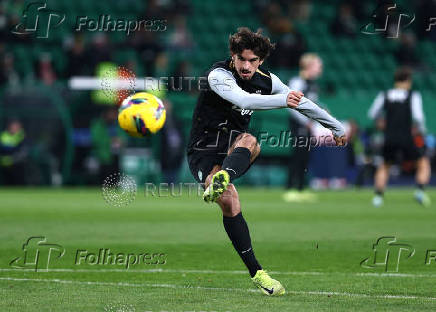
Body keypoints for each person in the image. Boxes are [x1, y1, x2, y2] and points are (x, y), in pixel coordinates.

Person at [186, 27, 346, 296]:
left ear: (261, 61)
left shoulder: (267, 80)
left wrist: (336, 127)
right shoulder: (218, 75)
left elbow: (302, 102)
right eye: (242, 59)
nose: (246, 66)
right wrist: (283, 100)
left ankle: (225, 178)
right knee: (229, 200)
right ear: (233, 57)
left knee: (250, 140)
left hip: (234, 145)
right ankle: (257, 272)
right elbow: (244, 99)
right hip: (203, 148)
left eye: (253, 61)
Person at [368, 67, 431, 207]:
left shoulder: (385, 94)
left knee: (384, 165)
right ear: (408, 80)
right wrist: (421, 131)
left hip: (389, 137)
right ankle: (420, 191)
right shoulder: (413, 95)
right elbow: (418, 117)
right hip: (407, 137)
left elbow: (372, 113)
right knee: (423, 163)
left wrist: (381, 123)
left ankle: (378, 198)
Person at [284, 53, 323, 202]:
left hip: (308, 124)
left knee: (305, 155)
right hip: (298, 123)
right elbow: (292, 106)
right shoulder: (298, 82)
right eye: (318, 65)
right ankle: (290, 188)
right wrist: (305, 120)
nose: (320, 69)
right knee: (298, 154)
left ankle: (300, 188)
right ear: (308, 66)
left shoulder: (312, 84)